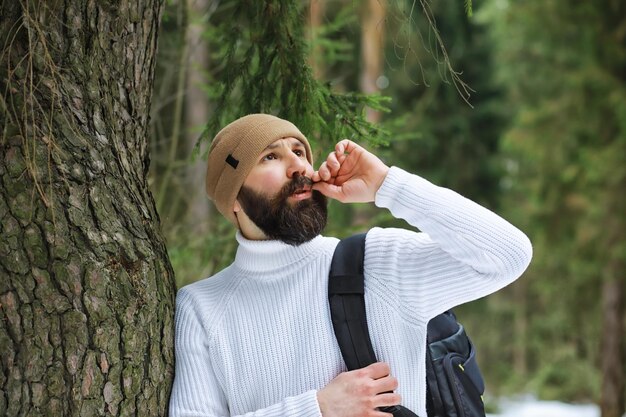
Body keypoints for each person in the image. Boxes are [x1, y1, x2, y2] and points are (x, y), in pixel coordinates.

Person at [169, 114, 532, 417]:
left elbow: (507, 255)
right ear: (233, 198)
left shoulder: (376, 263)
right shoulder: (203, 307)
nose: (299, 165)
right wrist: (318, 408)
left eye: (299, 151)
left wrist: (387, 185)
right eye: (270, 157)